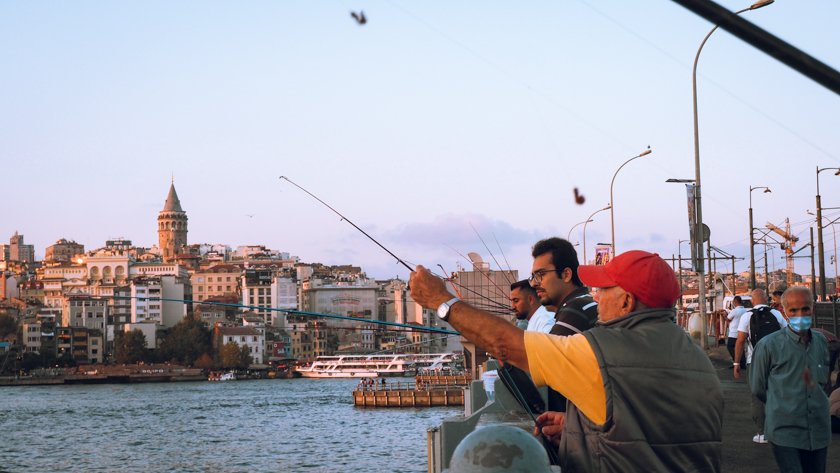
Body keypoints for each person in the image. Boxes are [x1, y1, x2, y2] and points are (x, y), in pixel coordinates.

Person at [409, 250, 723, 472]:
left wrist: (441, 301)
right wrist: (580, 428)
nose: (595, 296)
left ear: (627, 302)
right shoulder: (695, 357)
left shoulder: (601, 352)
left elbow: (506, 345)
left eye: (604, 289)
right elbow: (653, 427)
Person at [749, 286, 831, 473]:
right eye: (793, 310)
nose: (800, 314)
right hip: (785, 431)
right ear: (784, 311)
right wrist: (783, 405)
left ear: (813, 308)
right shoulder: (768, 346)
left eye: (805, 309)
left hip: (818, 430)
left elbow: (823, 382)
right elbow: (758, 388)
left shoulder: (822, 342)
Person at [734, 288, 788, 444]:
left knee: (757, 396)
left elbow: (740, 340)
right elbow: (786, 335)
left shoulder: (747, 316)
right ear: (766, 299)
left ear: (752, 300)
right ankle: (778, 430)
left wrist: (737, 362)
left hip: (754, 361)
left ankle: (762, 433)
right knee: (776, 394)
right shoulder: (776, 314)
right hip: (776, 361)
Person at [726, 296, 748, 369]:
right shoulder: (745, 310)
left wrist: (724, 316)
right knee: (740, 347)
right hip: (742, 332)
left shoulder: (735, 311)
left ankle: (737, 362)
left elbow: (728, 318)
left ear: (735, 302)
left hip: (733, 332)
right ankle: (742, 363)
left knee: (730, 347)